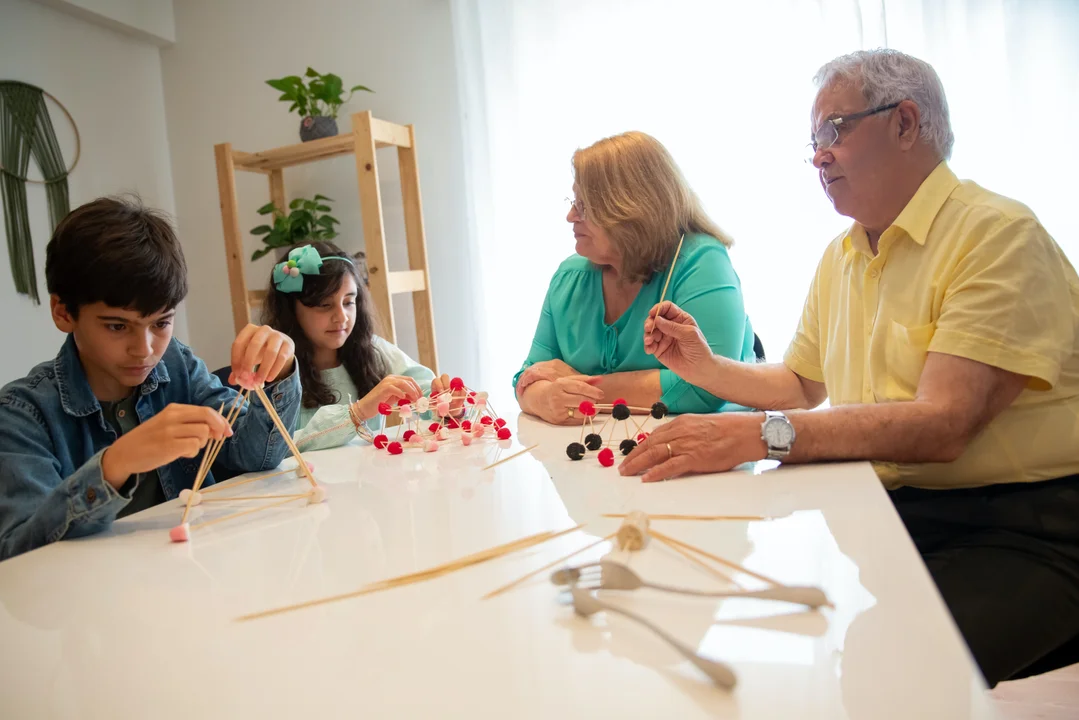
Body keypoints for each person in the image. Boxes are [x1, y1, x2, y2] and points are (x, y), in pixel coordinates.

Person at [621, 49, 1079, 687]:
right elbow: (802, 386)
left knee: (893, 669)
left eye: (834, 130)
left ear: (906, 123)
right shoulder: (842, 254)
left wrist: (762, 434)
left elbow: (944, 425)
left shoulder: (997, 234)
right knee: (817, 640)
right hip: (892, 508)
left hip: (1024, 526)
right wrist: (703, 365)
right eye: (812, 141)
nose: (818, 156)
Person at [0, 197, 301, 561]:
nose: (143, 349)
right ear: (63, 312)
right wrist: (114, 466)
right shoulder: (22, 415)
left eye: (161, 323)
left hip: (194, 582)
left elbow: (257, 455)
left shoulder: (177, 366)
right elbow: (19, 556)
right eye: (116, 326)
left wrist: (279, 369)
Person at [514, 131, 757, 425]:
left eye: (583, 205)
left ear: (629, 209)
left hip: (709, 457)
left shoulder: (702, 261)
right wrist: (544, 398)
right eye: (573, 201)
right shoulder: (569, 278)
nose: (570, 216)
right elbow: (528, 377)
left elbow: (708, 389)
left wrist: (587, 387)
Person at [262, 241, 461, 451]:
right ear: (291, 310)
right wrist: (357, 413)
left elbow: (427, 395)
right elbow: (271, 449)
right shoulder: (274, 367)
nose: (341, 317)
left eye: (349, 302)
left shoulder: (373, 350)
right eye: (324, 305)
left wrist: (448, 404)